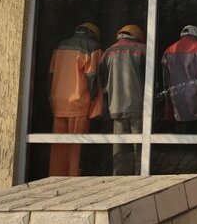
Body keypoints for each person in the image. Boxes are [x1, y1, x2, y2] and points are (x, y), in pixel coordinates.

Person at [49, 22, 104, 176]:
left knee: (58, 150)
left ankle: (55, 181)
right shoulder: (92, 47)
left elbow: (50, 76)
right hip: (79, 104)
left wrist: (51, 99)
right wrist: (94, 101)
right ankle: (73, 182)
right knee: (76, 150)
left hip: (58, 102)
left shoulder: (60, 46)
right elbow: (93, 78)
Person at [99, 24, 146, 175]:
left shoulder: (108, 52)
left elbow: (102, 80)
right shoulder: (142, 50)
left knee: (120, 150)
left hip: (116, 106)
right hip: (138, 106)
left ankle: (119, 178)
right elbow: (149, 79)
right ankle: (141, 177)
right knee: (140, 148)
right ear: (138, 36)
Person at [161, 25, 197, 133]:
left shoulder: (168, 51)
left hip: (178, 106)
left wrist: (168, 109)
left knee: (182, 139)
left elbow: (166, 81)